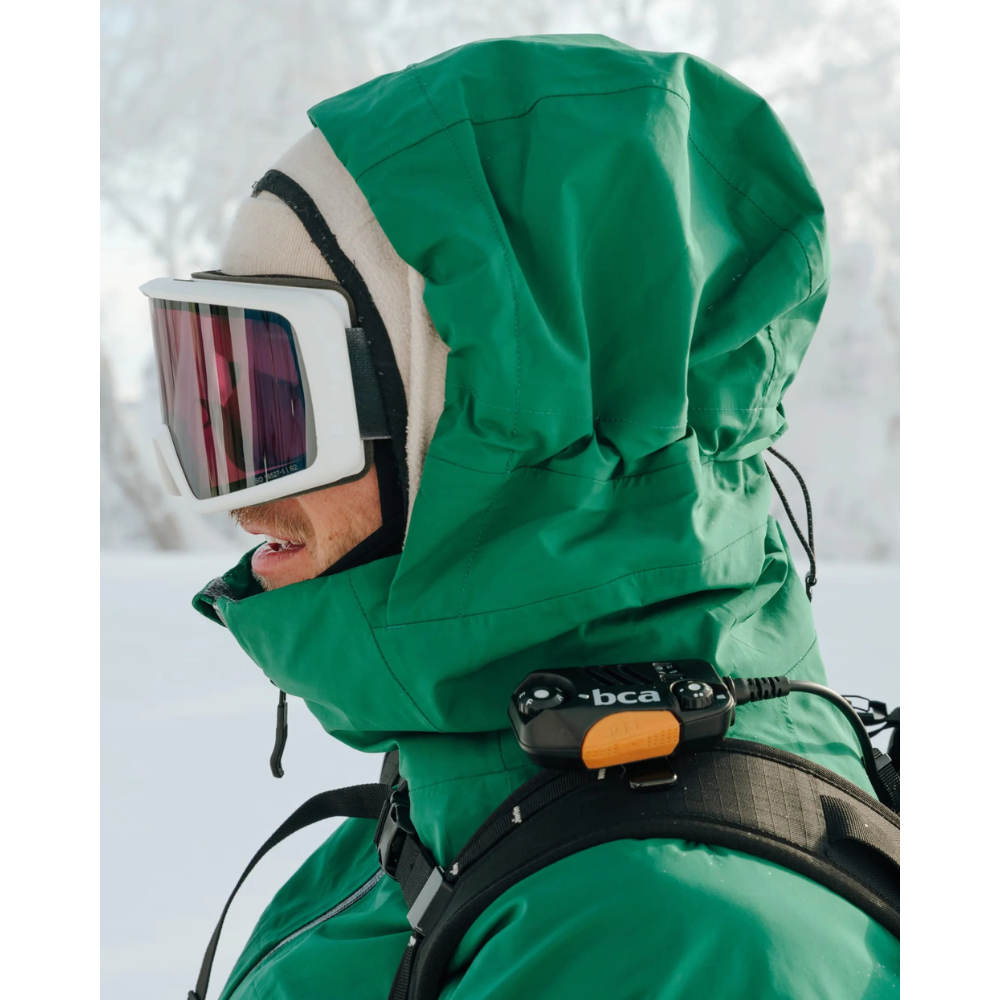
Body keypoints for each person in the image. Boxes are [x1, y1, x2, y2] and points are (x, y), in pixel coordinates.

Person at [144, 35, 900, 1000]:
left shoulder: (659, 940)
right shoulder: (456, 800)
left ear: (490, 418)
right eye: (218, 398)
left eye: (286, 404)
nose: (244, 501)